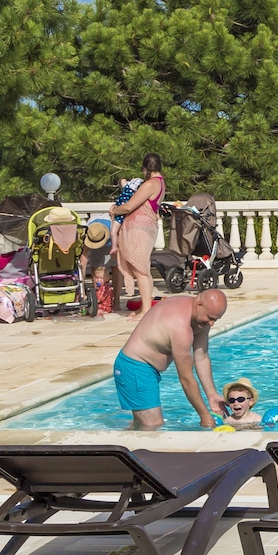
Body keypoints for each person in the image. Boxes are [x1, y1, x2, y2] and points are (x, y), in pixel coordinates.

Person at [112, 289, 228, 430]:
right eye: (210, 318)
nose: (211, 324)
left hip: (146, 370)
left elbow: (201, 356)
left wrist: (211, 394)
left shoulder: (199, 318)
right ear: (199, 304)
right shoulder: (180, 327)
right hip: (135, 367)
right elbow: (186, 379)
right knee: (152, 425)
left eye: (215, 319)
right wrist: (204, 415)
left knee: (142, 425)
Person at [111, 153, 167, 315]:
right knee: (143, 269)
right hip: (146, 228)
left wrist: (115, 210)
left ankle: (145, 311)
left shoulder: (150, 184)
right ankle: (145, 307)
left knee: (140, 269)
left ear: (145, 168)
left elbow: (129, 206)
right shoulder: (161, 183)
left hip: (140, 229)